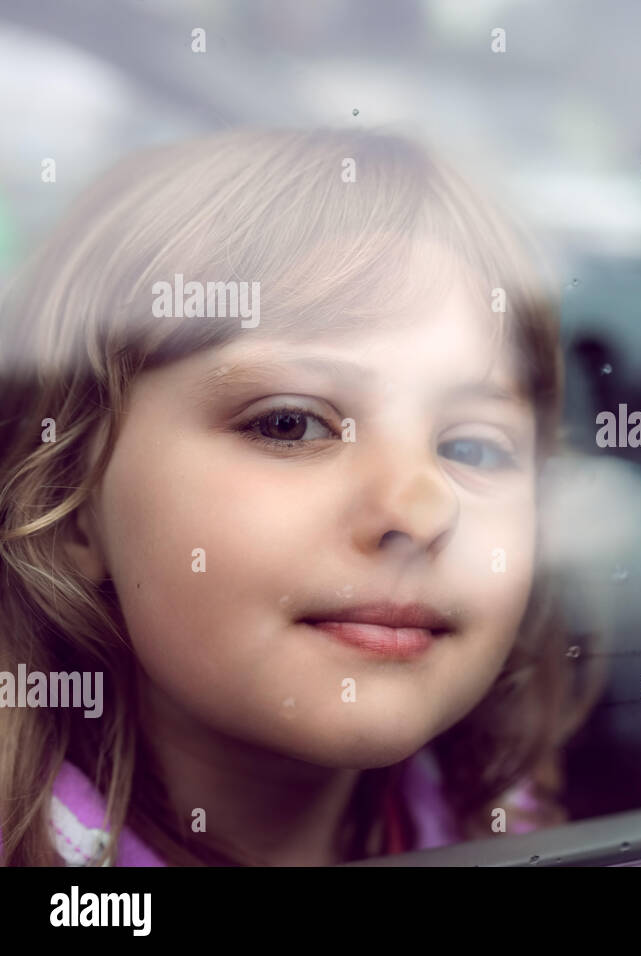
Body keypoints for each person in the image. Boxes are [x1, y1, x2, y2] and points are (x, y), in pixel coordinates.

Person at [0, 127, 599, 865]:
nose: (417, 512)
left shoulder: (513, 826)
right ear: (73, 506)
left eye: (473, 448)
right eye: (291, 424)